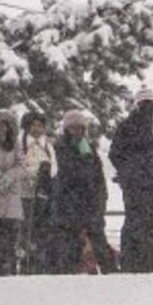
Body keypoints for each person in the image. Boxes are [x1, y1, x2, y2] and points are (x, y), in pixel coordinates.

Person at [52, 110, 118, 274]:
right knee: (70, 247)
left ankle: (110, 273)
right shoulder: (59, 149)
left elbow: (98, 178)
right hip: (69, 206)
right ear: (66, 130)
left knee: (99, 242)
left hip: (91, 205)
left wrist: (101, 199)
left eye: (80, 128)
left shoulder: (89, 150)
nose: (78, 132)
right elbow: (63, 177)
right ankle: (69, 277)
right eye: (73, 128)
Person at [108, 87, 153, 273]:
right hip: (134, 185)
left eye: (151, 104)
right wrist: (128, 172)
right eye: (144, 104)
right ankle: (129, 262)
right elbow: (114, 153)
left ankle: (148, 262)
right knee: (134, 222)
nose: (148, 108)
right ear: (137, 105)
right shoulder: (127, 127)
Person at [17, 111, 55, 274]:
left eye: (40, 126)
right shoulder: (21, 144)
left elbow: (54, 165)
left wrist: (48, 174)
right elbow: (20, 165)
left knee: (42, 228)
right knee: (26, 228)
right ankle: (25, 261)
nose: (37, 129)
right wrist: (34, 173)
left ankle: (40, 262)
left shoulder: (47, 144)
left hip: (44, 192)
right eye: (34, 125)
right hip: (25, 193)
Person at [0, 109, 26, 276]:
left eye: (2, 124)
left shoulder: (15, 144)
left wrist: (8, 177)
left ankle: (9, 271)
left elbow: (21, 165)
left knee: (9, 241)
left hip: (11, 199)